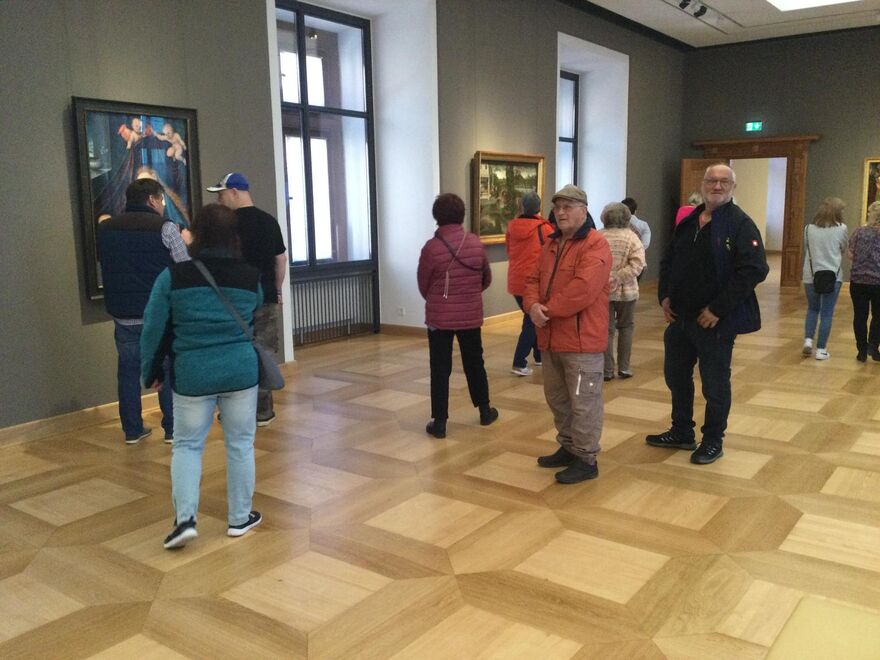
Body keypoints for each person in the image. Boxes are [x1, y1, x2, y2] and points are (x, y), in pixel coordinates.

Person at [141, 204, 264, 549]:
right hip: (240, 371)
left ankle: (185, 521)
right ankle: (239, 518)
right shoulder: (249, 276)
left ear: (195, 234)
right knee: (240, 444)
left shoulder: (173, 277)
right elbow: (255, 308)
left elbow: (153, 327)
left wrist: (150, 370)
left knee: (187, 445)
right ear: (234, 237)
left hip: (193, 374)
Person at [647, 164, 768, 465]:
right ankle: (681, 431)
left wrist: (718, 309)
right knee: (676, 377)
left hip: (714, 322)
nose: (717, 186)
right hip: (680, 318)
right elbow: (669, 260)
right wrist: (664, 295)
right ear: (702, 185)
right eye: (711, 181)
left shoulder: (740, 224)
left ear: (733, 187)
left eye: (724, 182)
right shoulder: (689, 221)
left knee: (715, 385)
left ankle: (713, 440)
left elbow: (754, 269)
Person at [523, 184, 612, 484]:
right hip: (550, 338)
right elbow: (532, 279)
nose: (560, 213)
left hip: (581, 341)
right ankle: (569, 446)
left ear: (583, 211)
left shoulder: (596, 245)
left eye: (567, 207)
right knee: (558, 399)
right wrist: (532, 305)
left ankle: (586, 458)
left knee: (584, 402)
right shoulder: (551, 244)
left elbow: (583, 289)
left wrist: (545, 310)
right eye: (557, 207)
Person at [97, 178, 189, 444]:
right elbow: (184, 267)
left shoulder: (106, 229)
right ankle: (172, 429)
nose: (162, 205)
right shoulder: (165, 228)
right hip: (157, 314)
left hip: (122, 314)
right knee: (166, 369)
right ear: (151, 199)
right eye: (161, 200)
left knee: (127, 372)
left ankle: (132, 430)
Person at [208, 172, 287, 426]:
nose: (219, 201)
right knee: (264, 353)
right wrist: (277, 290)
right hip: (265, 298)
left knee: (233, 353)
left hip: (233, 301)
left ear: (234, 192)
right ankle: (263, 412)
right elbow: (281, 259)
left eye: (221, 195)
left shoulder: (225, 226)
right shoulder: (269, 221)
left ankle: (234, 412)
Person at [418, 193, 498, 439]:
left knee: (440, 368)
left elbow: (423, 284)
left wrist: (439, 300)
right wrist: (468, 296)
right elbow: (486, 278)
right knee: (475, 363)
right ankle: (485, 411)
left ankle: (440, 423)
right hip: (470, 316)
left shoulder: (431, 248)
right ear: (462, 214)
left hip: (439, 318)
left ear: (436, 216)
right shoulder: (475, 243)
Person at [505, 191, 554, 376]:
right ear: (539, 207)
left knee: (531, 317)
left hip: (515, 280)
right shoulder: (545, 229)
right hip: (534, 281)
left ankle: (539, 355)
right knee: (532, 319)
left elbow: (509, 251)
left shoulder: (512, 227)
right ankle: (519, 362)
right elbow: (551, 254)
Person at [600, 202, 646, 381]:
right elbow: (638, 264)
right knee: (626, 327)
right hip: (627, 291)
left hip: (602, 291)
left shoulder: (598, 236)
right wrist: (619, 277)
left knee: (606, 330)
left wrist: (608, 278)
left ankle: (607, 370)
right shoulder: (632, 237)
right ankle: (624, 367)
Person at [801, 197, 848, 360]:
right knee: (827, 313)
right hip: (833, 275)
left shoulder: (808, 229)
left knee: (812, 309)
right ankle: (821, 350)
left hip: (811, 275)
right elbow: (843, 248)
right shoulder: (842, 228)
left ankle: (808, 340)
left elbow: (807, 247)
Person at [847, 201, 880, 362]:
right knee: (878, 315)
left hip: (858, 280)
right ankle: (873, 346)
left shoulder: (858, 232)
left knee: (860, 316)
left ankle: (861, 350)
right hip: (878, 282)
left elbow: (850, 254)